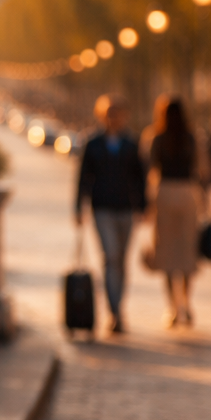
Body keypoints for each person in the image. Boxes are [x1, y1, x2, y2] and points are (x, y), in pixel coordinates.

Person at [74, 95, 146, 334]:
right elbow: (82, 177)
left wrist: (144, 206)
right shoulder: (92, 142)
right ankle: (114, 310)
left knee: (122, 261)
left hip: (126, 208)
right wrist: (78, 207)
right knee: (111, 256)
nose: (114, 118)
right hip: (102, 207)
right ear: (102, 115)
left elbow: (140, 177)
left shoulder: (131, 143)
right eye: (109, 113)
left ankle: (118, 306)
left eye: (118, 113)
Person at [142, 95, 208, 328]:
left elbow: (148, 170)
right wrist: (207, 203)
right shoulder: (193, 137)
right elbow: (202, 171)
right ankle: (187, 305)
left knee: (167, 253)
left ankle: (172, 307)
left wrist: (147, 205)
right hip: (189, 194)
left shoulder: (156, 137)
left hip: (165, 194)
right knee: (187, 252)